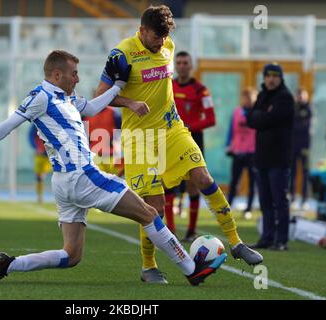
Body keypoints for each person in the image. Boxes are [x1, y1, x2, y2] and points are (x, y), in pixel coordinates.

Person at [0, 50, 227, 286]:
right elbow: (7, 126)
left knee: (72, 256)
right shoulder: (41, 96)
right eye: (74, 73)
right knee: (149, 213)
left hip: (64, 184)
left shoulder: (67, 98)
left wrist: (118, 87)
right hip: (83, 175)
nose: (78, 78)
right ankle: (192, 270)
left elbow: (92, 108)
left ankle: (8, 265)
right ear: (57, 75)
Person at [95, 5, 262, 284]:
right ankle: (149, 267)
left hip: (173, 129)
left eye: (164, 37)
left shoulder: (168, 45)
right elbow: (100, 95)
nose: (160, 42)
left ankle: (235, 242)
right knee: (153, 207)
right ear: (142, 30)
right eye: (155, 37)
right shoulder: (121, 55)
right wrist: (129, 102)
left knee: (203, 177)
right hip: (141, 139)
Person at [167, 50, 216, 241]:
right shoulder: (168, 87)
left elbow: (211, 119)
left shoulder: (201, 90)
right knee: (168, 183)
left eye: (185, 63)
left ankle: (190, 230)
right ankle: (170, 229)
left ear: (191, 65)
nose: (181, 66)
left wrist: (189, 127)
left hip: (193, 139)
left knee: (193, 185)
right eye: (178, 63)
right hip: (171, 139)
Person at [246, 63, 295, 251]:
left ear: (280, 78)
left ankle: (281, 240)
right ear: (264, 77)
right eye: (268, 75)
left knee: (279, 200)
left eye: (275, 76)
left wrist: (261, 117)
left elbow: (268, 119)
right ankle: (267, 238)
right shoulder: (263, 95)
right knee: (265, 200)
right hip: (262, 157)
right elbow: (251, 119)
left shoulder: (285, 98)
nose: (271, 79)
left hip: (279, 158)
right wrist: (262, 117)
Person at [226, 88, 257, 219]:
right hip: (238, 151)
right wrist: (228, 145)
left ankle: (248, 208)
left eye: (250, 97)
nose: (247, 100)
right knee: (234, 181)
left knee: (252, 182)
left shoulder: (257, 113)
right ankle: (228, 207)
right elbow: (231, 130)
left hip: (253, 152)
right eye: (245, 97)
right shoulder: (237, 112)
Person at [83, 106, 124, 176]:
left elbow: (123, 131)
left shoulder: (113, 113)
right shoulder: (85, 115)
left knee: (117, 181)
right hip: (95, 156)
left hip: (112, 156)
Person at [290, 88, 312, 208]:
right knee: (292, 173)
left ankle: (304, 199)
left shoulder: (309, 108)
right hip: (293, 146)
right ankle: (292, 197)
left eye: (303, 96)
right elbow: (291, 124)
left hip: (305, 147)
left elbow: (305, 126)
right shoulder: (293, 108)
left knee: (305, 173)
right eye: (299, 96)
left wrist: (297, 122)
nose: (301, 98)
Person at [28, 125, 51, 203]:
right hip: (40, 153)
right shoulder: (35, 124)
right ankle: (39, 196)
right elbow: (30, 136)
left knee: (43, 175)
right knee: (38, 176)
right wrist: (36, 147)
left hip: (50, 153)